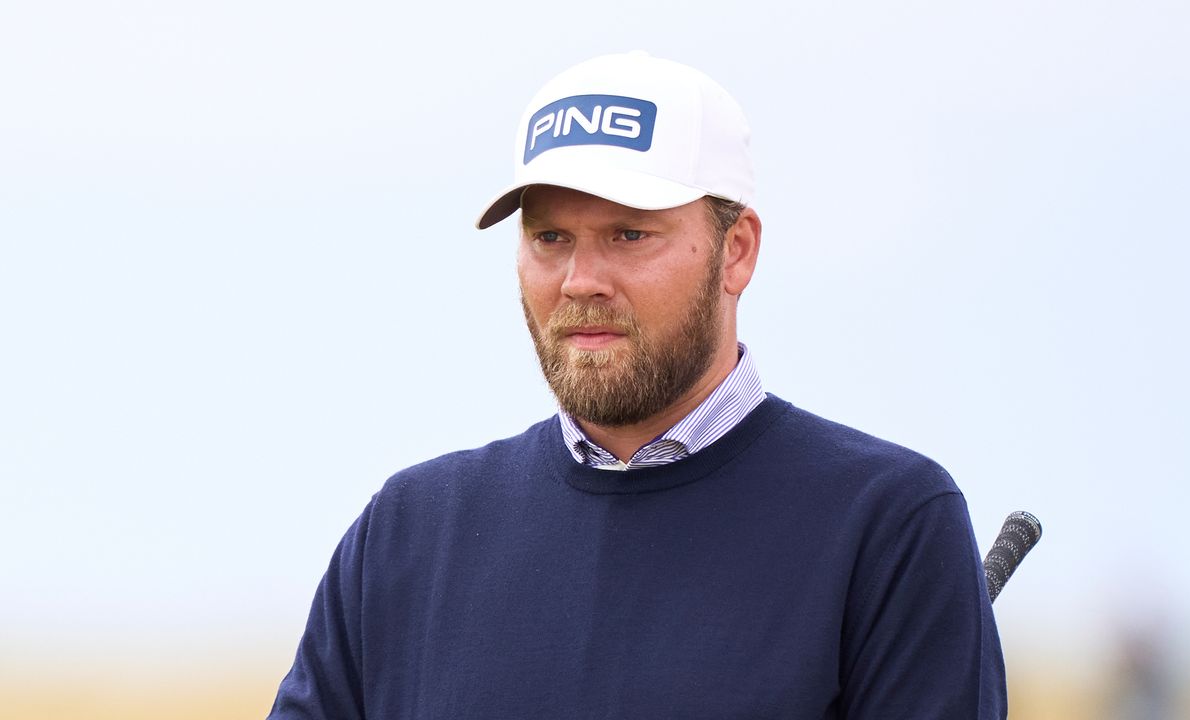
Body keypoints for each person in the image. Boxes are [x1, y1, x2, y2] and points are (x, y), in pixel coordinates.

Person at [269, 51, 1006, 719]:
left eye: (629, 234)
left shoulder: (888, 526)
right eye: (550, 238)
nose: (581, 281)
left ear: (736, 251)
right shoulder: (409, 532)